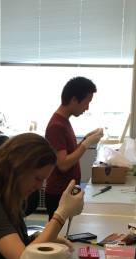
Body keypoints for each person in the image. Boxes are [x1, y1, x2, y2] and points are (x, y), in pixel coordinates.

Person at [44, 76, 104, 219]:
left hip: (67, 190)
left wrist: (86, 138)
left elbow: (69, 152)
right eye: (87, 102)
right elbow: (63, 164)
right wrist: (86, 143)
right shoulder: (56, 126)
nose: (87, 107)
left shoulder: (64, 121)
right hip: (59, 194)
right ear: (74, 100)